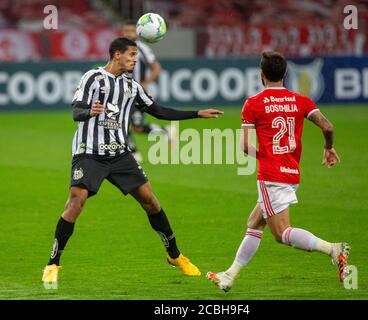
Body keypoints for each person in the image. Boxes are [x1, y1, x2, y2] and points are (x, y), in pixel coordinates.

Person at [42, 37, 223, 286]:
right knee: (76, 202)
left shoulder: (132, 86)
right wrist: (89, 112)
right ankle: (53, 263)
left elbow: (158, 110)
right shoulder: (92, 78)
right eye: (131, 55)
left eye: (136, 56)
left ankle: (175, 255)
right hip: (90, 152)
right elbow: (76, 111)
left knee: (151, 201)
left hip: (119, 153)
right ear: (117, 54)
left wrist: (196, 113)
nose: (135, 60)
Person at [207, 51, 350, 292]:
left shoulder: (253, 103)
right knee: (254, 222)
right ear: (285, 73)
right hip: (291, 173)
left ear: (261, 75)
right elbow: (328, 126)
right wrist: (328, 148)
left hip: (271, 176)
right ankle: (229, 276)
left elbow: (244, 146)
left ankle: (333, 250)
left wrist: (263, 155)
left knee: (281, 233)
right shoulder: (301, 100)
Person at [122, 20, 173, 163]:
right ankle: (134, 154)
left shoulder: (142, 48)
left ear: (138, 32)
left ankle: (165, 131)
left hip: (137, 95)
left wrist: (146, 83)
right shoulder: (119, 49)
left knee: (137, 127)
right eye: (126, 31)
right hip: (123, 93)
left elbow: (156, 68)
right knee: (121, 122)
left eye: (131, 31)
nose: (128, 34)